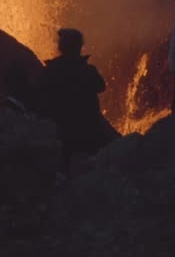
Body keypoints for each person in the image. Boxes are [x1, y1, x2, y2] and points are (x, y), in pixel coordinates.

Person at [37, 28, 117, 173]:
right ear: (79, 47)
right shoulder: (88, 71)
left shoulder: (51, 71)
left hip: (62, 133)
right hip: (89, 131)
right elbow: (101, 86)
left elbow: (40, 94)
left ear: (61, 47)